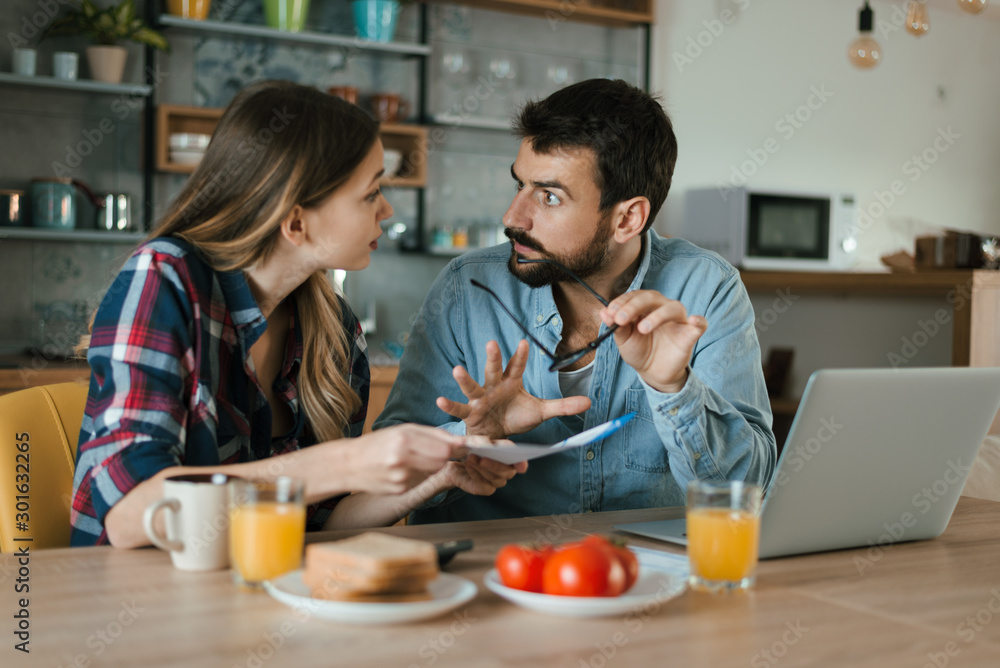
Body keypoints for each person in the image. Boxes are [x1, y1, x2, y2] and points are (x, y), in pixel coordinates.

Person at [70, 81, 523, 547]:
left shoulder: (334, 329)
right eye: (370, 193)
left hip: (249, 595)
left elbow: (322, 524)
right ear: (296, 221)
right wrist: (346, 462)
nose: (387, 209)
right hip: (134, 599)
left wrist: (440, 473)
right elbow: (128, 514)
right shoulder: (166, 279)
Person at [376, 78, 776, 523]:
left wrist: (673, 388)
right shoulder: (465, 289)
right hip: (487, 576)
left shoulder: (707, 289)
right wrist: (467, 437)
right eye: (519, 185)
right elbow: (380, 473)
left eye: (549, 196)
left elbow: (746, 492)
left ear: (628, 218)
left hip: (640, 576)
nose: (513, 217)